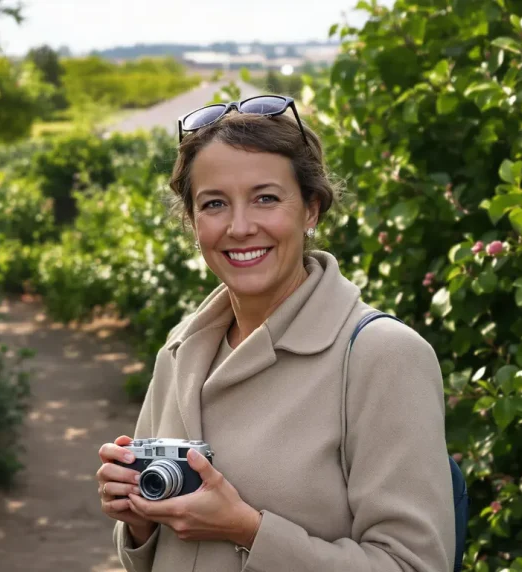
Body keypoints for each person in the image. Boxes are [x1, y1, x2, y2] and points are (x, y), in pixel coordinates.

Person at [95, 96, 456, 571]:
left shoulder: (383, 356)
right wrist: (138, 520)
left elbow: (413, 565)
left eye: (265, 198)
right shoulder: (181, 349)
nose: (240, 227)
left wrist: (248, 530)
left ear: (311, 209)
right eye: (214, 204)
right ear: (193, 221)